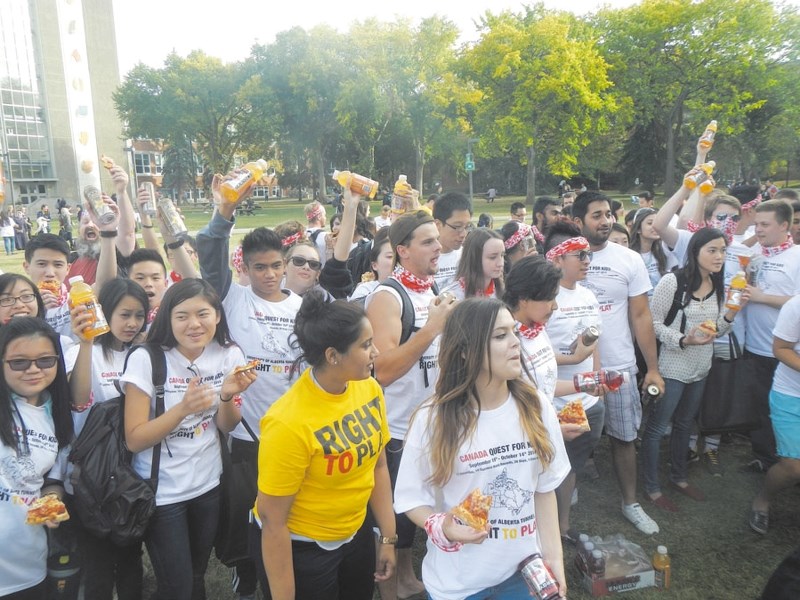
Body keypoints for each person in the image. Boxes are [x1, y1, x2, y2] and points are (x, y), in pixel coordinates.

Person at [394, 298, 570, 600]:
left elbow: (544, 489)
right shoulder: (433, 418)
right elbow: (410, 499)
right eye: (500, 336)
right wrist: (443, 526)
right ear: (465, 351)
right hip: (458, 584)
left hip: (524, 575)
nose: (516, 342)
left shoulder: (536, 406)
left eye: (513, 332)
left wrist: (553, 559)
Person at [250, 291, 396, 600]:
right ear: (333, 356)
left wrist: (387, 536)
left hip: (354, 533)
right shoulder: (287, 422)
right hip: (303, 548)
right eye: (366, 345)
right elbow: (273, 522)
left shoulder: (368, 388)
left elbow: (378, 465)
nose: (377, 352)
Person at [198, 177, 304, 600]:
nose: (269, 275)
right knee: (246, 509)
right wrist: (224, 212)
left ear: (286, 264)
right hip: (245, 432)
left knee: (285, 510)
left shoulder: (301, 306)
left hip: (291, 431)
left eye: (276, 266)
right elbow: (209, 254)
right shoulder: (232, 298)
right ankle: (245, 570)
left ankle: (285, 565)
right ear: (244, 267)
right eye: (259, 267)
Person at [121, 279, 256, 600]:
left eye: (203, 314)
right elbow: (135, 439)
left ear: (218, 316)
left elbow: (227, 426)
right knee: (177, 585)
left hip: (209, 484)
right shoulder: (148, 359)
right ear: (168, 318)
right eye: (182, 316)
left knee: (195, 573)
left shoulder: (228, 354)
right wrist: (182, 409)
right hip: (163, 491)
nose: (194, 324)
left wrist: (226, 397)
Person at [365, 210, 456, 599]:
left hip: (434, 423)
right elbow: (382, 371)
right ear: (402, 250)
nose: (439, 247)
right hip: (398, 431)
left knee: (420, 509)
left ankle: (406, 577)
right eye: (427, 241)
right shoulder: (387, 296)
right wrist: (433, 327)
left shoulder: (431, 290)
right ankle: (392, 588)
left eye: (437, 239)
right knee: (395, 517)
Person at [572, 191, 664, 534]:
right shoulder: (562, 260)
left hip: (620, 367)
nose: (606, 221)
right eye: (597, 215)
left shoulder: (628, 259)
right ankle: (569, 493)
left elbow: (641, 316)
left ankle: (630, 502)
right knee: (573, 437)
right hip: (575, 372)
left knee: (625, 438)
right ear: (579, 221)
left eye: (608, 214)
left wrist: (652, 367)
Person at [642, 228, 746, 512]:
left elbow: (718, 330)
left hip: (701, 369)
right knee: (656, 428)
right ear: (695, 252)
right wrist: (683, 339)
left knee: (686, 425)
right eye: (712, 250)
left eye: (723, 250)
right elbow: (653, 324)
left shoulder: (718, 283)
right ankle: (651, 486)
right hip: (671, 369)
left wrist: (731, 313)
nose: (719, 256)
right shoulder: (672, 282)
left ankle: (679, 477)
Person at [63, 279, 149, 599]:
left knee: (129, 554)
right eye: (124, 314)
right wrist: (86, 344)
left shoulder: (142, 353)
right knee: (97, 560)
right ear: (104, 312)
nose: (132, 323)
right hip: (92, 474)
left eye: (139, 315)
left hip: (130, 471)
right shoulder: (83, 352)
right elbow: (78, 399)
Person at [0, 317, 74, 598]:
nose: (33, 370)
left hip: (28, 559)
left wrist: (52, 501)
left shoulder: (56, 415)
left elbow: (51, 481)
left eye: (45, 360)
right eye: (18, 362)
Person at [542, 224, 605, 541]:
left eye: (588, 255)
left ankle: (563, 526)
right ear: (556, 260)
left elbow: (594, 341)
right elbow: (533, 356)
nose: (586, 260)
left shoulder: (589, 295)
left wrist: (598, 377)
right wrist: (573, 358)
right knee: (546, 471)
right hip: (554, 401)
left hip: (586, 401)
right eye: (579, 255)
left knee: (569, 469)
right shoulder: (546, 299)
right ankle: (543, 530)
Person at [738, 200, 800, 473]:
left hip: (786, 351)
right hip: (754, 345)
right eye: (756, 224)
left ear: (785, 225)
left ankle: (789, 460)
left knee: (785, 411)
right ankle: (764, 458)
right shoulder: (755, 253)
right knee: (760, 407)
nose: (759, 230)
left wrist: (763, 297)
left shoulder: (797, 257)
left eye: (765, 224)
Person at [749, 293, 800, 534]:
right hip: (791, 395)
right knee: (793, 467)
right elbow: (780, 348)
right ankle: (763, 500)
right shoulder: (796, 305)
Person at [629, 208, 678, 297]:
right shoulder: (629, 255)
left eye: (657, 223)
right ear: (638, 229)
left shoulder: (664, 251)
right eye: (650, 223)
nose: (655, 227)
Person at [445, 228, 504, 301]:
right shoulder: (453, 296)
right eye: (492, 257)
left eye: (502, 255)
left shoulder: (502, 291)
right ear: (475, 258)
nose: (500, 263)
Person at [432, 191, 473, 289]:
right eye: (457, 226)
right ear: (438, 225)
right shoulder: (424, 259)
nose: (463, 234)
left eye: (467, 226)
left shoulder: (467, 256)